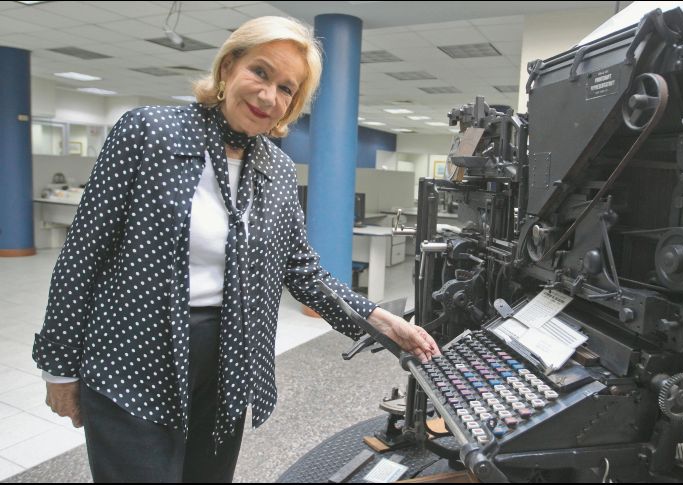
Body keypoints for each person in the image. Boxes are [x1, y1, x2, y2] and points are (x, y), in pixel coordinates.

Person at [32, 16, 440, 483]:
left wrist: (378, 319)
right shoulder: (149, 133)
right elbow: (83, 256)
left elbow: (302, 270)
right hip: (135, 350)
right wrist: (59, 368)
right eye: (261, 73)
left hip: (228, 359)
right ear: (228, 67)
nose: (269, 96)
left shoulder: (278, 170)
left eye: (287, 89)